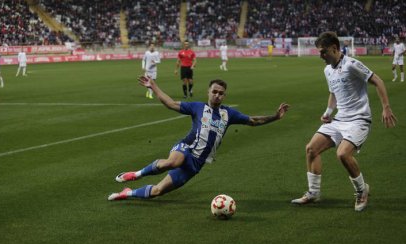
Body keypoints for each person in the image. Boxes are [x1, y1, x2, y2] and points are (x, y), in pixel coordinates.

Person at [108, 77, 289, 201]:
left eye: (221, 93)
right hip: (186, 147)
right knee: (174, 161)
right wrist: (153, 86)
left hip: (196, 164)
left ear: (224, 96)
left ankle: (128, 193)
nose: (217, 95)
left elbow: (253, 120)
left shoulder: (229, 114)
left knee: (157, 191)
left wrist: (275, 117)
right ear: (208, 92)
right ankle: (135, 174)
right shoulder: (197, 107)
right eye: (214, 91)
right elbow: (170, 103)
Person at [291, 32, 397, 212]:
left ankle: (362, 190)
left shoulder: (352, 64)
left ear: (334, 48)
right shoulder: (327, 70)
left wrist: (386, 107)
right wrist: (328, 112)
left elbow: (377, 80)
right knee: (311, 149)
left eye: (323, 52)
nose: (321, 56)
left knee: (343, 154)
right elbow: (334, 93)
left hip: (359, 120)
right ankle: (313, 192)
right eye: (319, 52)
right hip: (340, 119)